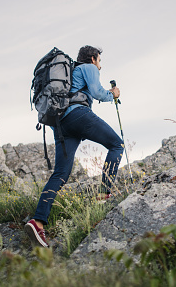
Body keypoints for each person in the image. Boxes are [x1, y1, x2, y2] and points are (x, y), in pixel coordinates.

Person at [25, 45, 124, 248]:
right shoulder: (88, 68)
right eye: (99, 61)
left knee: (60, 173)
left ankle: (38, 222)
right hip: (79, 115)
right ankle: (103, 194)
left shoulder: (72, 73)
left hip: (62, 123)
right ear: (93, 58)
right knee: (117, 145)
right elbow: (97, 92)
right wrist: (113, 94)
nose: (100, 66)